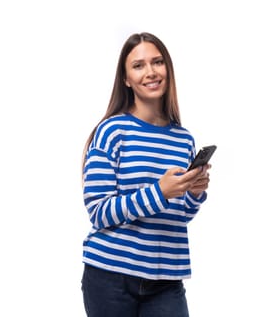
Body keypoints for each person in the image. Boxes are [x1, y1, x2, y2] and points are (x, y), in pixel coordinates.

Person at [80, 32, 212, 317]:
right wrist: (160, 191)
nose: (151, 72)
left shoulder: (183, 139)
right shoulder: (112, 131)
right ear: (126, 79)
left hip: (166, 280)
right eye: (138, 66)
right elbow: (99, 212)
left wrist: (193, 193)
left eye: (158, 62)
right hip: (110, 277)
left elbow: (177, 216)